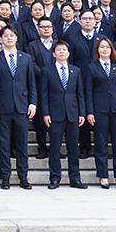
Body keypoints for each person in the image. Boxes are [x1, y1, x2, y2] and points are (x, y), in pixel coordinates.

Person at [0, 25, 36, 189]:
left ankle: (23, 177)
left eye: (12, 35)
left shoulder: (26, 58)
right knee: (4, 144)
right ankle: (5, 177)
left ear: (17, 38)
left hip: (22, 106)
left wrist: (32, 103)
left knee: (22, 144)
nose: (9, 38)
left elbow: (31, 83)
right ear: (0, 39)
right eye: (6, 35)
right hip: (2, 107)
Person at [85, 38, 116, 189]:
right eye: (102, 47)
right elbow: (88, 92)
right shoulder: (91, 68)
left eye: (107, 47)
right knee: (101, 144)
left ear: (112, 50)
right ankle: (103, 176)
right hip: (99, 110)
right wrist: (89, 112)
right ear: (97, 50)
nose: (105, 49)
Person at [39, 41, 86, 189]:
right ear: (53, 54)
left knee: (73, 147)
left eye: (64, 50)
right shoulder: (46, 70)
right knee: (54, 147)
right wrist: (45, 113)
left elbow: (80, 94)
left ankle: (75, 178)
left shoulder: (76, 71)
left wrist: (82, 113)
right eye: (58, 50)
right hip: (55, 114)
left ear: (68, 53)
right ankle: (55, 178)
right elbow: (43, 95)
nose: (61, 52)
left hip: (73, 114)